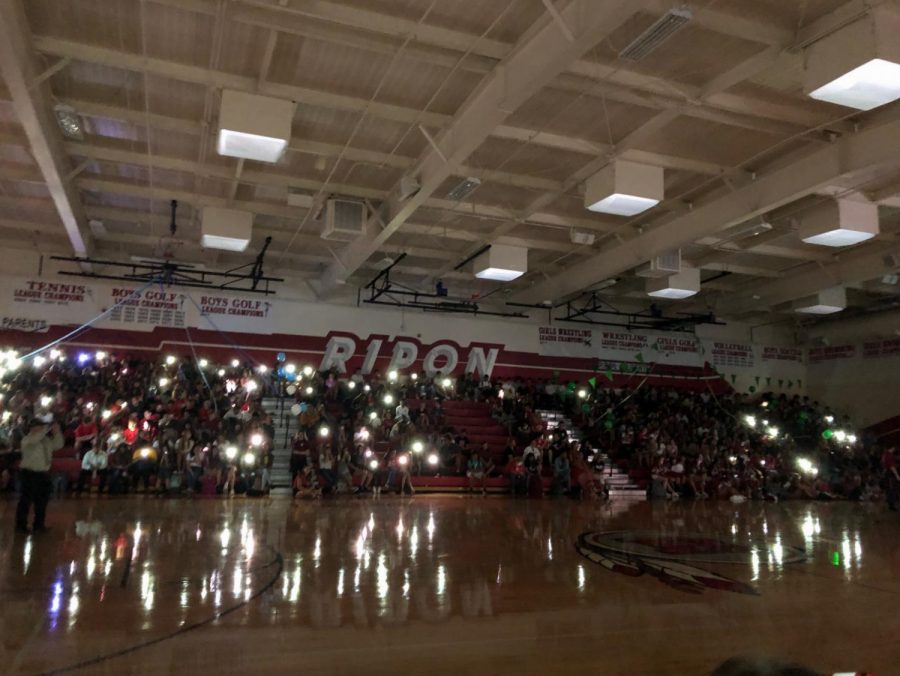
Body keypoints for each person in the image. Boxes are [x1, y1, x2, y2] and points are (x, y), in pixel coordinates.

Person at [15, 419, 63, 534]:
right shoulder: (27, 439)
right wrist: (46, 429)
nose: (43, 429)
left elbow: (58, 445)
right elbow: (36, 439)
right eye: (40, 426)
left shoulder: (45, 440)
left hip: (43, 474)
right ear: (33, 428)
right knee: (25, 501)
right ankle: (20, 526)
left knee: (42, 501)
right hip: (29, 473)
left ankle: (39, 525)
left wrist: (57, 432)